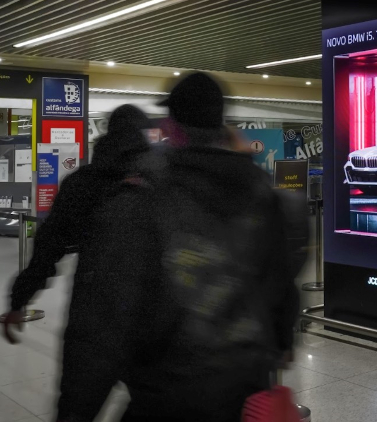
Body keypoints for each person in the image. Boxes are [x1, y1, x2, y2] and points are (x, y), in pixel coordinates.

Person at [58, 72, 301, 421]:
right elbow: (280, 284)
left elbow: (102, 325)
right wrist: (281, 342)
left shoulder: (141, 201)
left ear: (173, 128)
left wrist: (75, 412)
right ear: (221, 124)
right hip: (243, 393)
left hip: (167, 396)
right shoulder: (261, 193)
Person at [3, 105, 153, 419]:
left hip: (93, 319)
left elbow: (47, 250)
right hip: (150, 321)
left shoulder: (82, 183)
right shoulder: (161, 181)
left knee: (76, 412)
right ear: (143, 135)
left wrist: (19, 302)